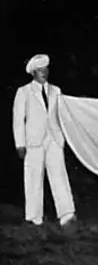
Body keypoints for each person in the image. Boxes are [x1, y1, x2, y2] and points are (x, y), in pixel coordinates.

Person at [12, 54, 77, 232]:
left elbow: (61, 115)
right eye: (40, 70)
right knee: (33, 177)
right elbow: (18, 120)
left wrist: (62, 137)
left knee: (59, 174)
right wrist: (20, 144)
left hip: (53, 138)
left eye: (46, 69)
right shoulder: (24, 92)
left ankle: (67, 214)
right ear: (33, 73)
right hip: (33, 140)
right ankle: (34, 217)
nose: (44, 73)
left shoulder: (56, 91)